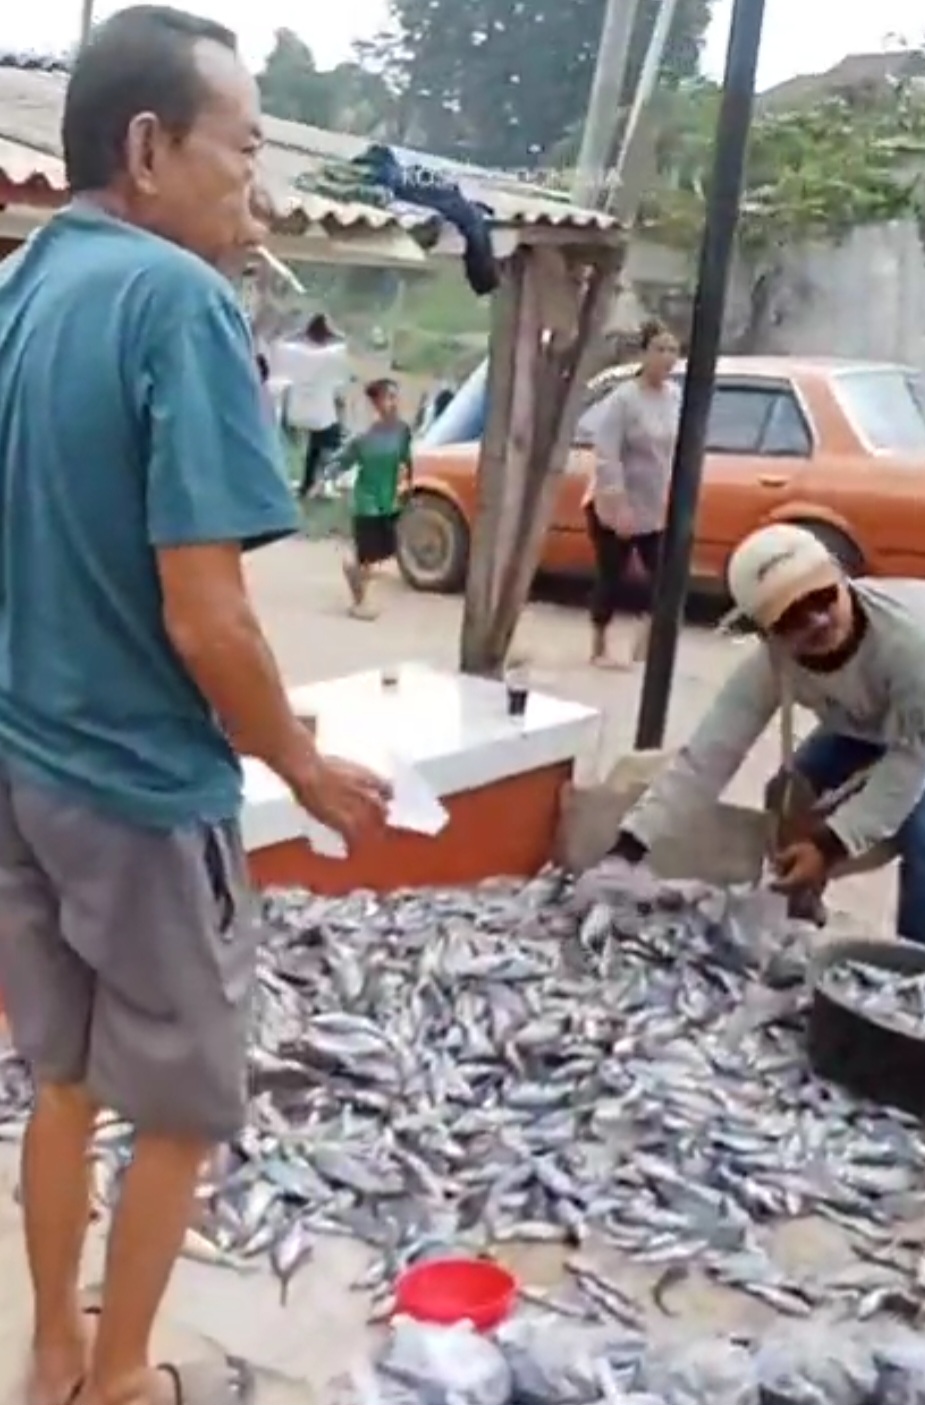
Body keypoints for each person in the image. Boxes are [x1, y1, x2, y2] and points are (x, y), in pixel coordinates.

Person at [0, 10, 390, 1405]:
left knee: (63, 1076)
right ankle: (118, 1378)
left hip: (25, 768)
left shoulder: (27, 286)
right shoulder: (178, 302)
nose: (257, 180)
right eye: (241, 146)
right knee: (176, 1108)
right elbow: (206, 613)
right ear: (148, 146)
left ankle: (50, 1344)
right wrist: (302, 761)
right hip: (140, 793)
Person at [575, 523, 925, 951]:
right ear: (766, 632)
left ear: (842, 580)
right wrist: (628, 849)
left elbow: (908, 763)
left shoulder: (919, 645)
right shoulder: (770, 665)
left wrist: (832, 845)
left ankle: (921, 972)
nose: (816, 620)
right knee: (791, 794)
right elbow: (708, 756)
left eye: (821, 597)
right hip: (872, 709)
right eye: (791, 616)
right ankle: (797, 905)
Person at [583, 320, 681, 669]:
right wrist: (618, 504)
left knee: (665, 579)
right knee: (612, 574)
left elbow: (674, 450)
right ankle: (599, 645)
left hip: (654, 504)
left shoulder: (674, 397)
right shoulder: (624, 399)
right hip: (614, 504)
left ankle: (645, 644)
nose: (667, 358)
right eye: (660, 350)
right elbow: (606, 452)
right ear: (644, 354)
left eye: (673, 350)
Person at [329, 377, 413, 620]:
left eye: (395, 397)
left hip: (390, 498)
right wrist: (326, 477)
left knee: (383, 551)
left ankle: (356, 575)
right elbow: (341, 460)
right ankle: (360, 601)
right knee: (365, 555)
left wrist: (406, 484)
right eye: (388, 397)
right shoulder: (364, 436)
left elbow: (406, 460)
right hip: (367, 501)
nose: (394, 403)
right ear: (375, 402)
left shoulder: (402, 431)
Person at [274, 312, 350, 498]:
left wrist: (297, 333)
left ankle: (307, 484)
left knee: (313, 447)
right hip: (321, 416)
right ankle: (322, 483)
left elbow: (280, 342)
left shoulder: (294, 353)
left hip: (297, 412)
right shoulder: (330, 356)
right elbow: (344, 345)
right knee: (330, 441)